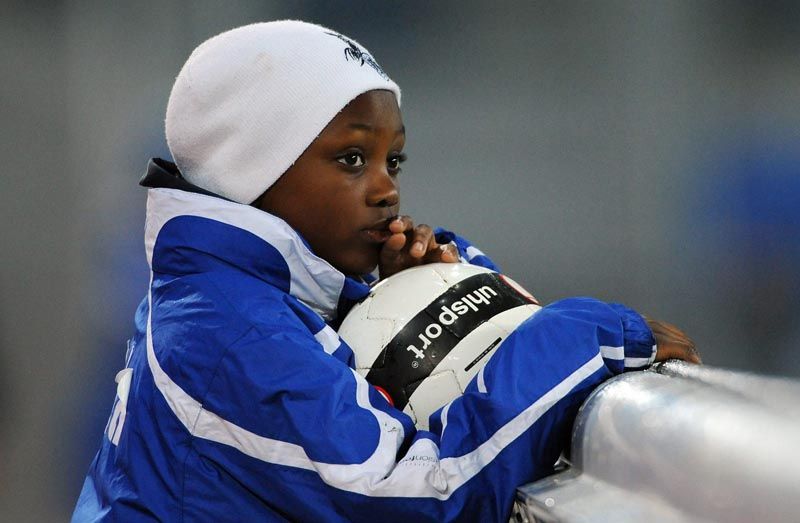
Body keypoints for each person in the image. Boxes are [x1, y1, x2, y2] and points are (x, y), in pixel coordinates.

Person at [71, 21, 699, 522]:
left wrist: (414, 287)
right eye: (351, 158)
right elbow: (422, 496)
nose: (386, 190)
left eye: (392, 161)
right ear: (253, 171)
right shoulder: (230, 334)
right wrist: (584, 337)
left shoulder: (225, 296)